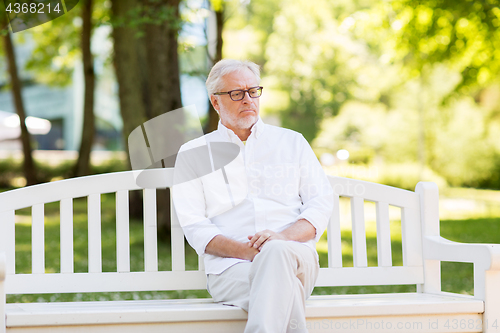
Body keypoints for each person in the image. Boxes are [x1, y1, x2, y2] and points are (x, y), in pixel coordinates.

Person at [172, 59, 333, 333]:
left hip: (296, 258)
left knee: (277, 252)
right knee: (284, 287)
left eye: (253, 91)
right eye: (236, 93)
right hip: (230, 270)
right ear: (215, 102)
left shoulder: (292, 142)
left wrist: (281, 239)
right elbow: (195, 227)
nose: (247, 100)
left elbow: (320, 204)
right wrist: (249, 252)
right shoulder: (193, 154)